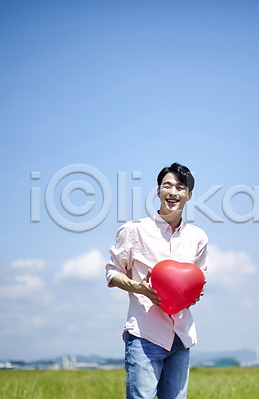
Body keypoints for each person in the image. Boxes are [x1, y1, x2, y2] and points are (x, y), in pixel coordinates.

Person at [105, 162, 209, 399]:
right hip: (145, 334)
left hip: (180, 337)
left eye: (180, 188)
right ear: (158, 191)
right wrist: (139, 287)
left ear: (189, 195)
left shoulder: (198, 238)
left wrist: (194, 295)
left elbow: (199, 278)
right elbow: (112, 272)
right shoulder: (134, 230)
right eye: (167, 186)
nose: (173, 192)